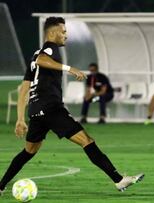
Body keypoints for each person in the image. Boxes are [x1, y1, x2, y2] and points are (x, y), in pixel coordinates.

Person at [0, 17, 144, 196]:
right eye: (63, 31)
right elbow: (42, 60)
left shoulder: (34, 54)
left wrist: (20, 118)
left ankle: (0, 185)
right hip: (51, 108)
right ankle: (118, 179)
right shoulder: (49, 48)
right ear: (53, 33)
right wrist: (69, 68)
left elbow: (24, 89)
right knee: (87, 141)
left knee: (28, 151)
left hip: (36, 111)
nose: (66, 35)